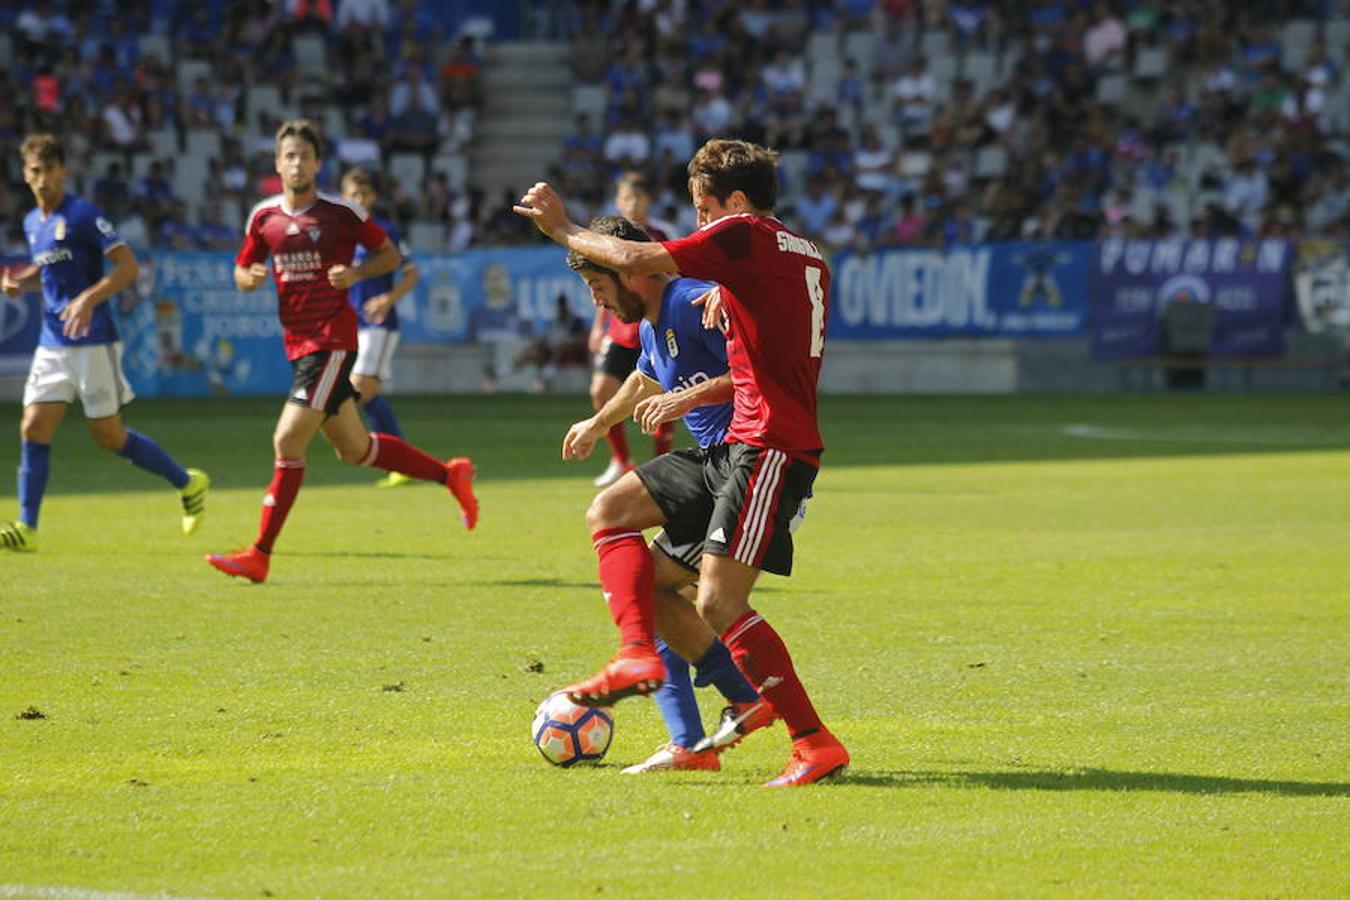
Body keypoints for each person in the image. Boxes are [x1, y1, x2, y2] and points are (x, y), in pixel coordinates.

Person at [515, 138, 848, 787]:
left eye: (703, 210)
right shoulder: (800, 253)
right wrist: (604, 420)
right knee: (615, 521)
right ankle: (648, 665)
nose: (699, 225)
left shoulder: (744, 238)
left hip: (768, 445)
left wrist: (562, 228)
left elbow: (641, 258)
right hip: (738, 446)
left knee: (718, 602)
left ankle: (811, 740)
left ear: (738, 203)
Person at [206, 120, 477, 584]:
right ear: (278, 164)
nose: (297, 163)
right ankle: (451, 475)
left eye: (304, 156)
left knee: (287, 441)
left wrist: (356, 274)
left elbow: (389, 256)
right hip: (299, 345)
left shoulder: (341, 212)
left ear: (317, 164)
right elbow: (242, 268)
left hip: (330, 341)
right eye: (289, 156)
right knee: (356, 448)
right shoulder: (264, 217)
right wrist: (247, 279)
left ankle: (260, 553)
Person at [560, 215, 781, 774]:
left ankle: (726, 704)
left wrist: (691, 396)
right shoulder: (653, 323)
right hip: (716, 468)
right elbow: (645, 378)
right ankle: (693, 738)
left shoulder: (691, 300)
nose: (596, 301)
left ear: (628, 272)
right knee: (649, 591)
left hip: (746, 468)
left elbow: (759, 367)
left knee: (624, 539)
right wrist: (597, 423)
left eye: (598, 286)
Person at [0, 132, 208, 552]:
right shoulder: (33, 222)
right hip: (52, 342)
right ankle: (27, 528)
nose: (43, 178)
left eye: (50, 169)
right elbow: (49, 271)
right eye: (35, 171)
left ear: (63, 171)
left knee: (109, 437)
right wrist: (22, 283)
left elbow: (127, 267)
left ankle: (188, 483)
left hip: (94, 342)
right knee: (33, 426)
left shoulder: (83, 214)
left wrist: (87, 299)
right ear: (25, 174)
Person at [586, 172, 677, 488]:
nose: (631, 203)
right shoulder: (609, 238)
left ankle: (661, 464)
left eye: (637, 197)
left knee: (662, 397)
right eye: (626, 198)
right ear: (617, 201)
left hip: (652, 325)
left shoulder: (660, 234)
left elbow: (673, 276)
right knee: (601, 391)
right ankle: (622, 461)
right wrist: (598, 327)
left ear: (648, 201)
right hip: (620, 330)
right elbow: (603, 284)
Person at [339, 167, 420, 487]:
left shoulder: (385, 232)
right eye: (353, 195)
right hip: (352, 324)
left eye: (364, 194)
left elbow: (412, 274)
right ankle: (399, 463)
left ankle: (392, 459)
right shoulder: (341, 235)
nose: (359, 200)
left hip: (378, 324)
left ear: (373, 197)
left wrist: (387, 299)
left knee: (359, 390)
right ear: (343, 198)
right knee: (368, 394)